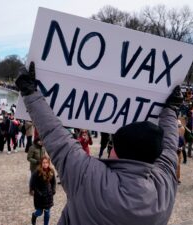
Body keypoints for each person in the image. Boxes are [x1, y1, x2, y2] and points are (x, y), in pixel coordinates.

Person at [15, 62, 182, 224]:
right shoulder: (164, 185)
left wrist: (30, 92)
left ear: (115, 150)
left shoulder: (90, 176)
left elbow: (55, 136)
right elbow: (169, 148)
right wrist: (171, 111)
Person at [29, 156, 56, 225]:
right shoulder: (37, 172)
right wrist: (39, 193)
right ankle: (34, 215)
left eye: (46, 162)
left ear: (49, 163)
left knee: (47, 213)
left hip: (48, 196)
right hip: (39, 197)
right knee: (39, 212)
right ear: (41, 163)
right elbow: (33, 184)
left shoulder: (51, 171)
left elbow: (53, 182)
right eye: (43, 163)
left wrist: (53, 190)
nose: (45, 164)